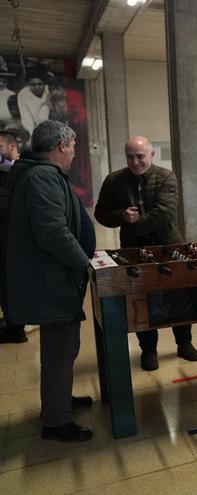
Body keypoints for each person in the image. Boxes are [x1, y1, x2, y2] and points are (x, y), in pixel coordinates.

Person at [4, 120, 93, 442]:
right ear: (60, 146)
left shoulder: (38, 172)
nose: (73, 153)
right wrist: (85, 265)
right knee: (60, 349)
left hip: (53, 278)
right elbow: (53, 233)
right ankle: (56, 422)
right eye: (72, 147)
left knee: (63, 348)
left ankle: (59, 401)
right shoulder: (42, 175)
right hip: (51, 280)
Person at [94, 136, 197, 371]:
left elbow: (166, 213)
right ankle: (148, 350)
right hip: (133, 250)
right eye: (130, 157)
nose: (135, 161)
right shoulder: (114, 181)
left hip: (169, 247)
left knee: (179, 296)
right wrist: (122, 215)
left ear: (151, 154)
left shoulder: (166, 177)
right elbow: (101, 213)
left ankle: (184, 343)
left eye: (140, 156)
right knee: (141, 300)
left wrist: (134, 223)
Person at [0, 130, 24, 344]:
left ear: (12, 146)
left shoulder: (24, 172)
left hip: (14, 242)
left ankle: (16, 327)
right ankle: (11, 321)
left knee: (11, 285)